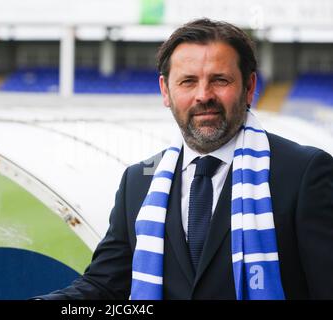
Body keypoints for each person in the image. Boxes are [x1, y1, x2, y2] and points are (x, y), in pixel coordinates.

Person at [36, 18, 333, 300]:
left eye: (219, 80)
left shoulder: (304, 173)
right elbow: (104, 285)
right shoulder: (138, 182)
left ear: (249, 87)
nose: (204, 95)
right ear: (166, 91)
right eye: (188, 81)